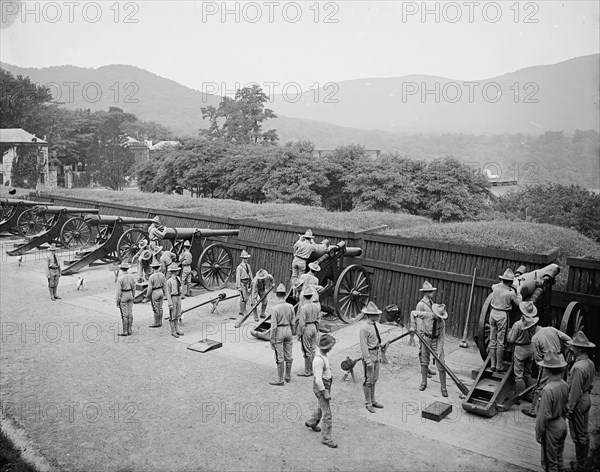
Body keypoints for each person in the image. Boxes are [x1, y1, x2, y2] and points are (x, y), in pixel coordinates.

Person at [523, 326, 572, 418]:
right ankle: (558, 408)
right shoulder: (552, 329)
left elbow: (537, 357)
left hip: (548, 362)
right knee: (558, 384)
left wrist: (542, 366)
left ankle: (533, 410)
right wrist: (570, 351)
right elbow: (568, 339)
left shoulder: (535, 338)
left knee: (540, 386)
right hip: (560, 360)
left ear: (530, 329)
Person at [566, 331, 596, 472]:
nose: (572, 349)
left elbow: (575, 391)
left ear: (579, 349)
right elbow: (590, 384)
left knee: (578, 435)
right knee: (584, 432)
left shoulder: (578, 367)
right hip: (586, 398)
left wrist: (569, 408)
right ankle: (584, 462)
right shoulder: (590, 363)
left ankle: (580, 465)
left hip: (578, 401)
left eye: (574, 347)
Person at [534, 350, 569, 472]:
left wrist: (538, 432)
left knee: (550, 463)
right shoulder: (564, 384)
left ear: (547, 370)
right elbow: (566, 406)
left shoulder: (547, 389)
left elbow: (543, 415)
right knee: (559, 457)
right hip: (562, 423)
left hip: (551, 427)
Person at [304, 334, 338, 449]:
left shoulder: (323, 356)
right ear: (324, 347)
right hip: (322, 386)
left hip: (326, 383)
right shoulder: (318, 360)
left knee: (321, 406)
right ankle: (326, 438)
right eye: (329, 346)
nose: (331, 348)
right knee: (327, 414)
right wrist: (325, 392)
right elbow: (318, 380)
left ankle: (312, 421)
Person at [410, 303, 449, 397]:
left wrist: (439, 351)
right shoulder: (426, 315)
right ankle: (423, 382)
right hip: (425, 339)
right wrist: (413, 326)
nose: (439, 317)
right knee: (424, 362)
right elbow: (413, 313)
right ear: (434, 313)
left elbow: (441, 338)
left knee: (441, 364)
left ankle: (443, 388)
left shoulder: (442, 323)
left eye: (441, 316)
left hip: (436, 342)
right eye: (438, 315)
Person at [489, 268, 523, 372]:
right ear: (510, 282)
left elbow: (494, 285)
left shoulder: (495, 288)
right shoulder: (510, 293)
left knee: (492, 339)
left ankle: (492, 364)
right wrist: (518, 291)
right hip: (502, 315)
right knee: (500, 341)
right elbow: (519, 304)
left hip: (493, 313)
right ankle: (499, 366)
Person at [507, 301, 539, 401]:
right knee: (528, 374)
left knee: (519, 376)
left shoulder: (518, 324)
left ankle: (517, 397)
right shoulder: (534, 324)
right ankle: (529, 396)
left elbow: (511, 340)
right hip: (530, 349)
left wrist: (508, 336)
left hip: (520, 350)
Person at [360, 301, 384, 412]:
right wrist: (368, 360)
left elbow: (375, 340)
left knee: (374, 379)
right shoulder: (364, 328)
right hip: (369, 354)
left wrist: (380, 345)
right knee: (368, 380)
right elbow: (364, 346)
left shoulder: (374, 325)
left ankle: (373, 400)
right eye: (376, 314)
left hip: (376, 353)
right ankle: (368, 402)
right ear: (370, 315)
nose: (378, 316)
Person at [269, 284, 295, 386]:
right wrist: (292, 332)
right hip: (288, 329)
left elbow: (273, 326)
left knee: (280, 357)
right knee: (289, 354)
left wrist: (272, 339)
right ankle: (288, 376)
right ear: (284, 295)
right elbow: (293, 322)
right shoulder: (290, 306)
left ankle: (280, 379)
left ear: (277, 295)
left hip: (279, 331)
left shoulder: (275, 308)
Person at [414, 281, 438, 378]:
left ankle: (427, 368)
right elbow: (419, 320)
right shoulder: (421, 305)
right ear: (426, 292)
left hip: (430, 331)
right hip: (423, 333)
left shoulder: (431, 303)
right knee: (422, 351)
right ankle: (423, 370)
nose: (433, 293)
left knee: (428, 352)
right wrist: (421, 335)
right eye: (431, 291)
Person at [296, 286, 321, 377]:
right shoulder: (316, 306)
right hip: (314, 327)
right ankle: (313, 368)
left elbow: (301, 323)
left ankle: (307, 371)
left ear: (304, 297)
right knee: (313, 349)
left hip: (306, 328)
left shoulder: (304, 308)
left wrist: (299, 334)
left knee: (307, 350)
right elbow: (318, 319)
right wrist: (316, 329)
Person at [115, 261, 136, 336]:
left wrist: (117, 301)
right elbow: (134, 288)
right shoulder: (132, 277)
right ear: (128, 268)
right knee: (130, 313)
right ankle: (130, 330)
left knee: (124, 314)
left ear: (121, 268)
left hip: (123, 295)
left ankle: (125, 331)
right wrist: (133, 296)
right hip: (130, 293)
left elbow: (118, 292)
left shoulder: (120, 278)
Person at [166, 263, 184, 338]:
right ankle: (173, 331)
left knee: (177, 314)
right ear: (174, 272)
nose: (178, 272)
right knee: (172, 316)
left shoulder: (178, 279)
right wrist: (170, 304)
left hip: (178, 297)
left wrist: (181, 296)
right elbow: (168, 293)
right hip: (173, 298)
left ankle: (177, 330)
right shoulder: (169, 281)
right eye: (177, 271)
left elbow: (181, 287)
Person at [147, 261, 167, 328]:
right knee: (160, 308)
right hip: (161, 291)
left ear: (152, 268)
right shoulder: (162, 275)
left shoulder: (151, 277)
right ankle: (160, 322)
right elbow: (165, 285)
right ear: (159, 267)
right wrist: (165, 293)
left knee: (155, 308)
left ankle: (156, 323)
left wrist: (147, 296)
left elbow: (150, 288)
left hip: (155, 292)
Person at [236, 250, 253, 318]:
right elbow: (238, 277)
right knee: (243, 297)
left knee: (247, 297)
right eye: (245, 258)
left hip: (247, 282)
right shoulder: (239, 267)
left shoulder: (248, 266)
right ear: (242, 258)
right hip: (242, 283)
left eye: (247, 258)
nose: (246, 259)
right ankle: (243, 311)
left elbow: (250, 273)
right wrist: (238, 286)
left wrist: (252, 281)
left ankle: (242, 310)